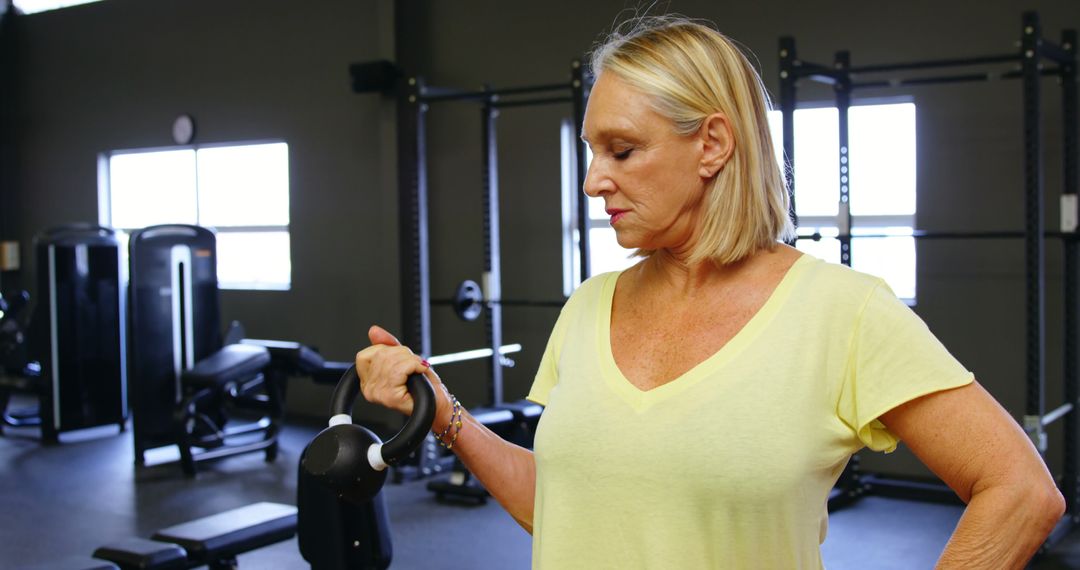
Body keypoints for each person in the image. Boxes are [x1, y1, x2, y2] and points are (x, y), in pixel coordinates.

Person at [355, 15, 1064, 569]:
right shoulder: (590, 306)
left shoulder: (843, 312)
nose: (593, 180)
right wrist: (446, 413)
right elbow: (566, 506)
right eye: (592, 153)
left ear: (713, 145)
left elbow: (1021, 493)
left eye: (622, 150)